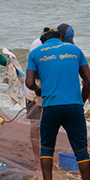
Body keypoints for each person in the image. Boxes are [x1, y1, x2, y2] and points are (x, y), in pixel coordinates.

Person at [25, 27, 90, 180]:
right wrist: (82, 101)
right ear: (61, 38)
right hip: (74, 106)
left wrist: (39, 90)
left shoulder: (36, 53)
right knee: (81, 150)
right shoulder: (75, 50)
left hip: (51, 107)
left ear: (43, 41)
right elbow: (88, 80)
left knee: (47, 148)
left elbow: (29, 82)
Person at [26, 24, 73, 158]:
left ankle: (45, 156)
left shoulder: (56, 47)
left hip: (48, 90)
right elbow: (34, 73)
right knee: (35, 125)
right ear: (59, 37)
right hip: (35, 91)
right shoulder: (37, 45)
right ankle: (37, 159)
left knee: (47, 124)